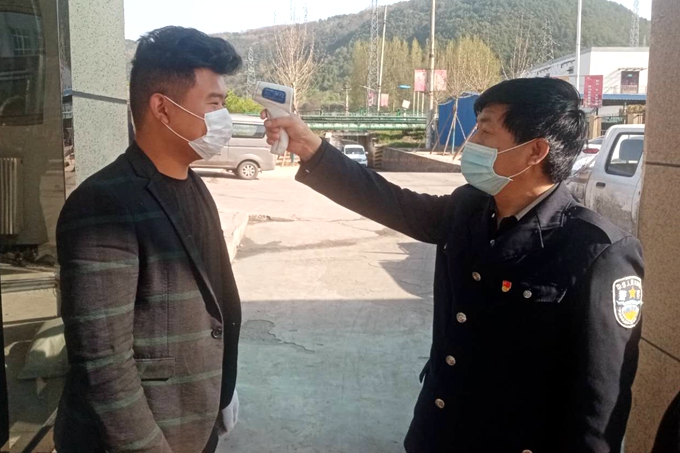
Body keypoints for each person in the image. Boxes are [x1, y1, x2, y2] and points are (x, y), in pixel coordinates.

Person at [262, 78, 644, 452]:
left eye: (485, 130)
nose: (470, 143)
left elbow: (598, 408)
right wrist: (311, 148)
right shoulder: (469, 207)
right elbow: (391, 202)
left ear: (535, 151)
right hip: (437, 431)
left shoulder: (597, 252)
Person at [55, 27, 243, 452]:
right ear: (162, 108)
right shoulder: (103, 205)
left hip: (196, 425)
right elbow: (103, 362)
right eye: (214, 103)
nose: (223, 117)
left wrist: (223, 390)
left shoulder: (194, 186)